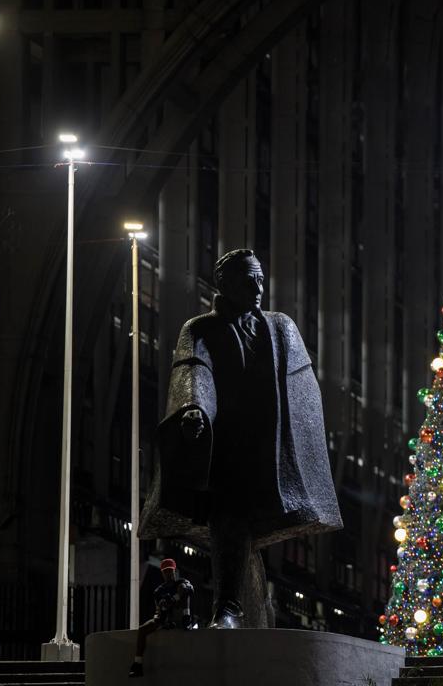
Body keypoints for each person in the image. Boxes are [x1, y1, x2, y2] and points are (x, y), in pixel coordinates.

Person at [138, 250, 342, 629]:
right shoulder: (199, 328)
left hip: (269, 449)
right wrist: (194, 409)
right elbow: (194, 371)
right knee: (227, 518)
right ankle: (227, 608)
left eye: (261, 279)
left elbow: (302, 388)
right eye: (249, 280)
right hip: (224, 446)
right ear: (224, 284)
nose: (258, 287)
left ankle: (247, 607)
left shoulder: (280, 327)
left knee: (248, 527)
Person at [129, 559, 197, 678]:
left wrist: (174, 598)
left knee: (183, 588)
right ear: (162, 574)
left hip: (181, 614)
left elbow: (189, 588)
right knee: (142, 630)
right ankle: (137, 663)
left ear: (174, 571)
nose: (169, 574)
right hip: (164, 618)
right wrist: (165, 607)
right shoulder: (159, 591)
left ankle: (186, 620)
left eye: (170, 571)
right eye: (166, 572)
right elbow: (161, 608)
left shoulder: (181, 583)